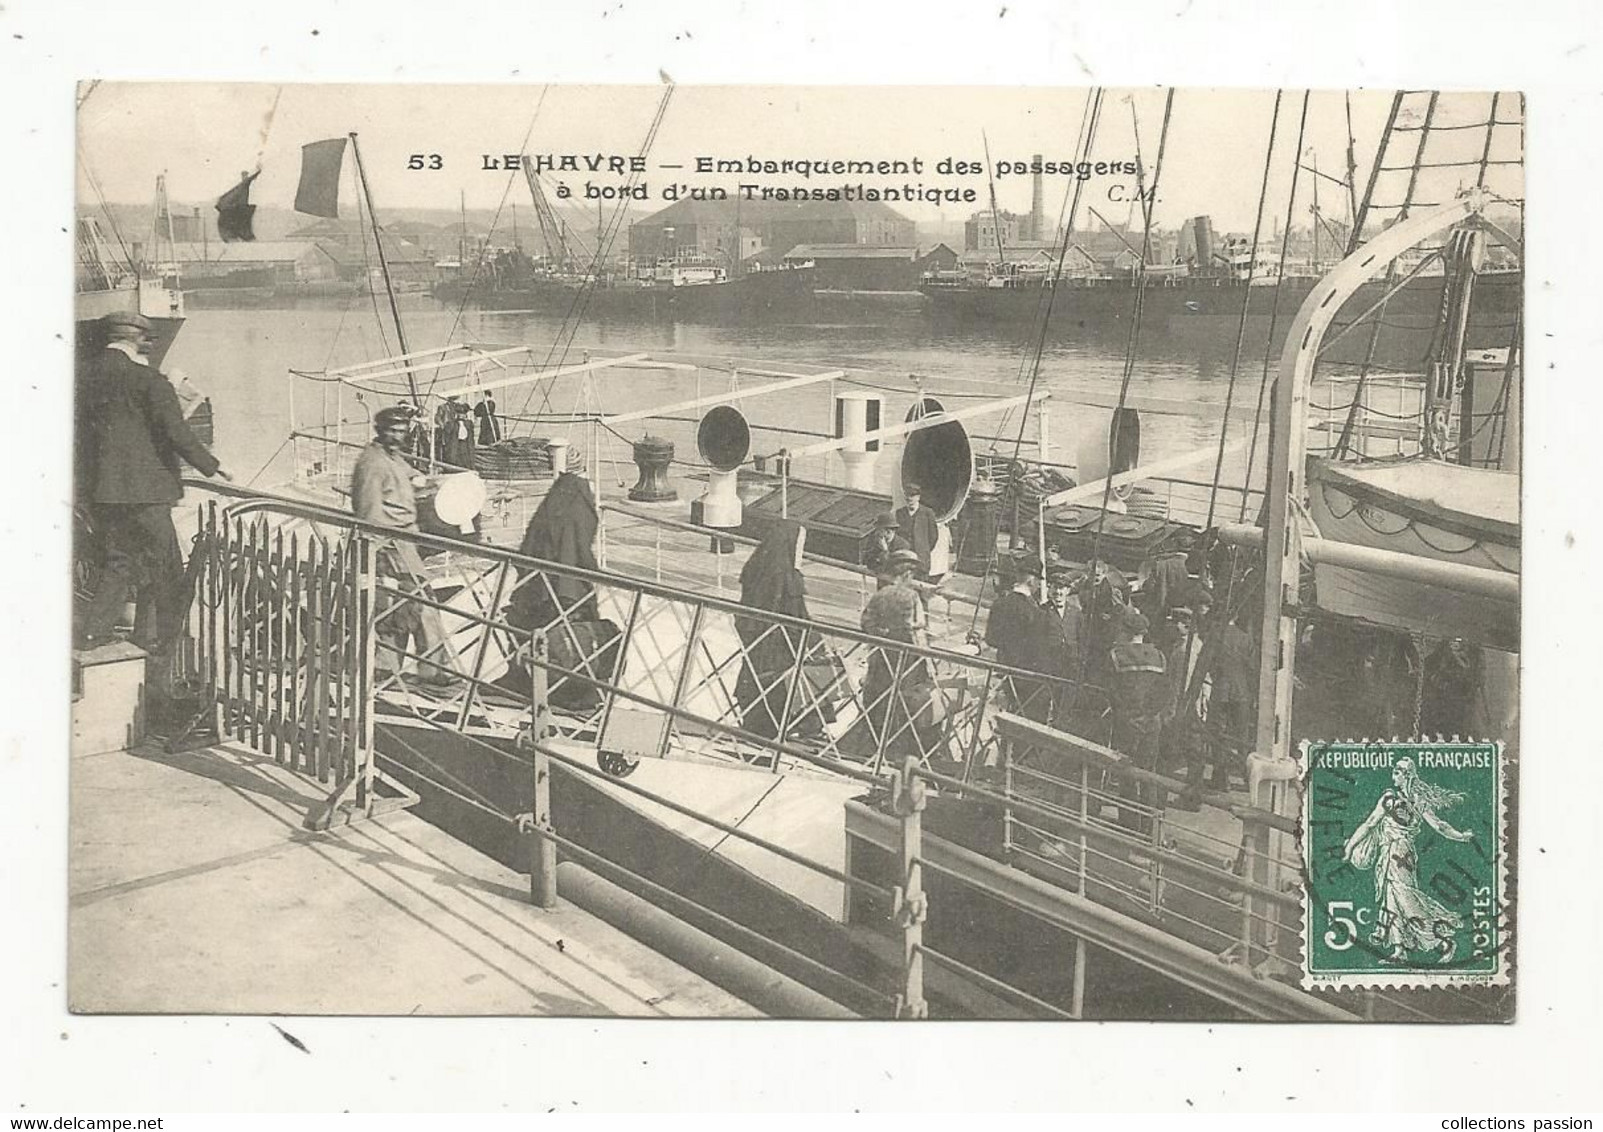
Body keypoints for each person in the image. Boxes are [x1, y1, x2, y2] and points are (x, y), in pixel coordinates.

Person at [76, 311, 232, 656]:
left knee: (119, 562)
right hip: (147, 493)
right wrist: (213, 467)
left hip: (104, 492)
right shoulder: (149, 380)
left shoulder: (84, 376)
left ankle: (92, 635)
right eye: (149, 340)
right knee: (167, 568)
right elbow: (175, 432)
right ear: (138, 340)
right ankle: (168, 643)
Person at [351, 405, 459, 689]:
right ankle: (432, 669)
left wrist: (423, 482)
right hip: (390, 544)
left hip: (405, 542)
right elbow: (367, 511)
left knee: (402, 607)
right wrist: (376, 555)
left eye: (402, 430)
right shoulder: (372, 464)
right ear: (380, 430)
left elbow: (407, 473)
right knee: (421, 604)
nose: (398, 436)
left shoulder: (392, 457)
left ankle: (386, 666)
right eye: (393, 430)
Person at [505, 471, 618, 711]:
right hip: (566, 604)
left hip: (536, 602)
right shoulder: (575, 518)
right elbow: (578, 555)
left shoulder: (547, 524)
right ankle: (571, 690)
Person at [1343, 756, 1475, 962]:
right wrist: (1460, 836)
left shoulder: (1394, 800)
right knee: (1392, 899)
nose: (1393, 774)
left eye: (1398, 771)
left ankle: (1443, 942)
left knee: (1405, 899)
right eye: (1394, 770)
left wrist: (1350, 847)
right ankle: (1399, 950)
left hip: (1398, 854)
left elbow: (1370, 824)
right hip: (1398, 855)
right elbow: (1439, 825)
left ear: (1407, 776)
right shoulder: (1412, 801)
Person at [735, 520, 829, 740]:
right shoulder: (786, 576)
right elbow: (795, 613)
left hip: (761, 638)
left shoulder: (759, 567)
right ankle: (808, 726)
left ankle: (763, 722)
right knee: (813, 671)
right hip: (782, 641)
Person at [859, 547, 933, 763]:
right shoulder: (912, 597)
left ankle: (873, 746)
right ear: (908, 574)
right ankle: (898, 751)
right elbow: (916, 633)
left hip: (880, 658)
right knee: (903, 703)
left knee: (878, 700)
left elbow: (865, 623)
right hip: (905, 659)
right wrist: (928, 664)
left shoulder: (880, 595)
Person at [1107, 606, 1173, 836]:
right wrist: (1149, 714)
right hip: (1151, 723)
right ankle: (1147, 826)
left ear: (1125, 631)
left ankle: (1128, 822)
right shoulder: (1160, 657)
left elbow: (1112, 691)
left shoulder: (1117, 656)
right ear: (1144, 633)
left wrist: (1127, 714)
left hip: (1126, 722)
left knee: (1125, 771)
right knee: (1148, 772)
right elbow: (1165, 692)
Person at [983, 555, 1053, 722]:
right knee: (1028, 721)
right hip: (1028, 677)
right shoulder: (1034, 612)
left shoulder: (1000, 604)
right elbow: (1039, 648)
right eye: (1037, 582)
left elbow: (991, 639)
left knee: (1006, 717)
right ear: (1032, 581)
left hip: (1005, 671)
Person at [894, 482, 939, 580]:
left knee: (920, 585)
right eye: (907, 495)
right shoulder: (900, 513)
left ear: (918, 497)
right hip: (905, 558)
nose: (909, 498)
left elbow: (933, 537)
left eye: (912, 495)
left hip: (921, 558)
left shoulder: (928, 513)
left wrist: (923, 549)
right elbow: (897, 535)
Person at [863, 510, 910, 575]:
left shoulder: (903, 545)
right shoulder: (875, 540)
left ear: (888, 531)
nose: (877, 532)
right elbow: (868, 561)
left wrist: (885, 550)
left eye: (879, 530)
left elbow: (894, 569)